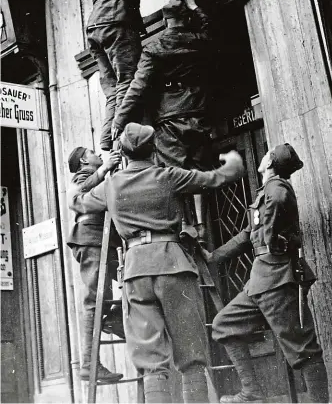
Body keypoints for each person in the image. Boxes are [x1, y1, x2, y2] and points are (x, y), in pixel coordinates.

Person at [68, 122, 245, 403]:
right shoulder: (168, 176)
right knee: (191, 355)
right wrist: (233, 160)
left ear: (124, 154)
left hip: (136, 271)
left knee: (151, 361)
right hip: (173, 265)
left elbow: (77, 202)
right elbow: (220, 178)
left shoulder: (111, 185)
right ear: (153, 151)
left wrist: (101, 172)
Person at [202, 143, 329, 403]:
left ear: (269, 163)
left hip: (278, 280)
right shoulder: (267, 191)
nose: (262, 157)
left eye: (266, 154)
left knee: (303, 349)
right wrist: (214, 257)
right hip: (260, 282)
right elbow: (248, 235)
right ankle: (252, 392)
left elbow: (280, 200)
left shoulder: (276, 186)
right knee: (224, 325)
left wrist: (271, 234)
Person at [86, 0, 168, 154]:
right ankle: (118, 132)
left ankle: (106, 140)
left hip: (95, 28)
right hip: (116, 22)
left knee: (112, 89)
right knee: (127, 80)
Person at [112, 0, 213, 171]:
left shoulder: (153, 49)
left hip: (169, 117)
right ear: (188, 18)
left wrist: (119, 120)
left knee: (174, 174)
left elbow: (137, 87)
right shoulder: (198, 41)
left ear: (166, 21)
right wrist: (195, 7)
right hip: (197, 110)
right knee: (198, 171)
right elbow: (209, 28)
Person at [67, 146, 125, 383]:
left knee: (130, 283)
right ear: (83, 160)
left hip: (103, 242)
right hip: (91, 240)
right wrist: (104, 169)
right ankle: (89, 364)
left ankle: (113, 319)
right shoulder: (82, 177)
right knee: (94, 299)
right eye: (93, 152)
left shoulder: (96, 174)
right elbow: (75, 195)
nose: (98, 155)